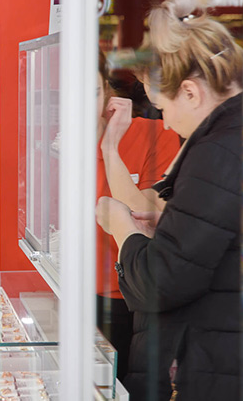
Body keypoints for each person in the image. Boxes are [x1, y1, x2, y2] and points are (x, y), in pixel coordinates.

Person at [96, 0, 243, 400]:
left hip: (225, 364)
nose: (166, 121)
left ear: (191, 92)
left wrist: (124, 230)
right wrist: (173, 223)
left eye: (164, 106)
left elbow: (162, 281)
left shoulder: (220, 148)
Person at [95, 51, 181, 381]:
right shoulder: (61, 144)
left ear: (107, 90)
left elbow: (146, 216)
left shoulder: (156, 133)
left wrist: (109, 148)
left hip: (131, 298)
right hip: (76, 291)